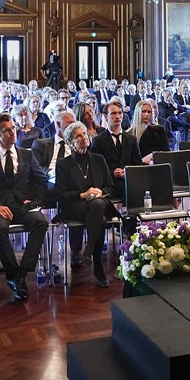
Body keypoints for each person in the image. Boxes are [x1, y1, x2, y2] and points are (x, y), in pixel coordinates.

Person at [0, 114, 49, 302]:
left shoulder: (26, 154)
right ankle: (13, 274)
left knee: (41, 222)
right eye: (6, 130)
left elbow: (41, 180)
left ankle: (21, 273)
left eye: (13, 128)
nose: (12, 133)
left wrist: (36, 202)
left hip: (22, 205)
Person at [55, 122, 118, 287]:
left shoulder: (98, 159)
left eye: (84, 134)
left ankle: (89, 251)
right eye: (78, 136)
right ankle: (97, 264)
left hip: (98, 203)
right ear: (70, 142)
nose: (84, 138)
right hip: (76, 206)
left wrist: (99, 192)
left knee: (97, 204)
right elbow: (60, 194)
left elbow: (109, 187)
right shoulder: (63, 164)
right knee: (100, 218)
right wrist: (83, 194)